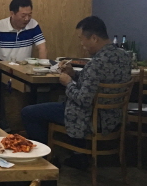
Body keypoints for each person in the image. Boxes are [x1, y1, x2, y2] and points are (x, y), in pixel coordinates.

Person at [21, 17, 131, 162]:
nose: (81, 44)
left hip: (89, 118)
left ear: (94, 38)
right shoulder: (124, 56)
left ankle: (45, 159)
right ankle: (78, 156)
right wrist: (74, 74)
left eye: (81, 39)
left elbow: (83, 100)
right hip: (113, 118)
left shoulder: (96, 64)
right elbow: (94, 82)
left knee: (29, 113)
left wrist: (68, 83)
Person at [0, 0, 48, 121]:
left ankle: (35, 125)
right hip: (2, 71)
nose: (27, 19)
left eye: (29, 15)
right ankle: (0, 125)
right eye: (23, 15)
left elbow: (42, 48)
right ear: (12, 13)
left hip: (25, 71)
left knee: (43, 87)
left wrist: (41, 70)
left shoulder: (33, 25)